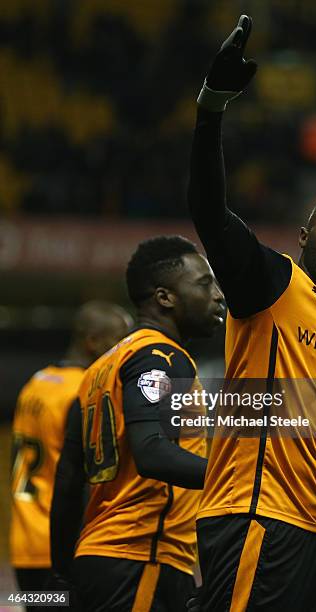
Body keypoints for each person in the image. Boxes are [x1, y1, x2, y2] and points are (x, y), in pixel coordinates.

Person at [188, 15, 316, 612]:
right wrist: (212, 106)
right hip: (258, 517)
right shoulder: (272, 283)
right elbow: (208, 211)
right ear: (305, 234)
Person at [50, 236, 224, 612]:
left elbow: (67, 482)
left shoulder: (98, 370)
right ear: (165, 297)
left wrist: (65, 571)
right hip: (142, 556)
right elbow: (152, 453)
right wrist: (240, 477)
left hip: (99, 559)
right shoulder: (160, 355)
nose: (219, 296)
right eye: (204, 284)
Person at [10, 301, 132, 608]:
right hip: (61, 544)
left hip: (24, 542)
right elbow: (81, 477)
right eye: (119, 340)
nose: (125, 351)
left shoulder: (36, 383)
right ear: (92, 341)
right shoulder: (84, 391)